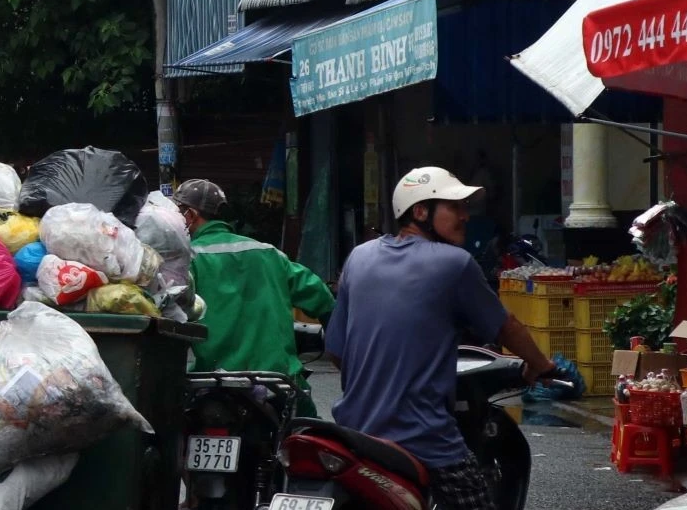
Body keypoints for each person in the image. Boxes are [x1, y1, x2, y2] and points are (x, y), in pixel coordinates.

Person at [325, 167, 555, 510]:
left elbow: (336, 351)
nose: (465, 216)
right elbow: (505, 326)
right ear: (420, 212)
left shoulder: (359, 257)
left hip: (354, 433)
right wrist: (541, 365)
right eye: (453, 207)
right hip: (423, 438)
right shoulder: (454, 263)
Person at [173, 178, 336, 417]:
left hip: (212, 382)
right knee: (309, 440)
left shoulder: (187, 260)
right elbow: (323, 299)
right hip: (278, 382)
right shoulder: (270, 254)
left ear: (190, 215)